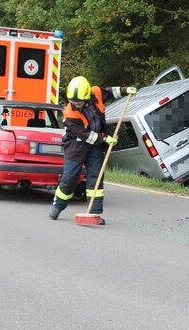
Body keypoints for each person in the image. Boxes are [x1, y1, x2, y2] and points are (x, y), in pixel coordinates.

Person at [49, 76, 136, 223]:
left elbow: (109, 92)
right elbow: (83, 134)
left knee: (95, 178)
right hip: (75, 147)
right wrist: (104, 138)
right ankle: (58, 206)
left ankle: (94, 213)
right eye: (73, 101)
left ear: (87, 95)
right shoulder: (69, 113)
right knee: (70, 177)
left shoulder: (95, 92)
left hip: (95, 147)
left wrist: (125, 90)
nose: (76, 104)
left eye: (79, 101)